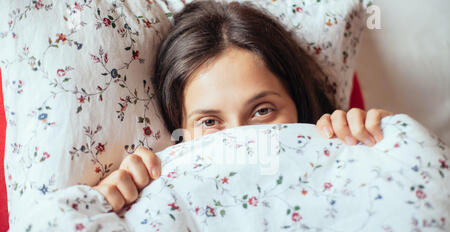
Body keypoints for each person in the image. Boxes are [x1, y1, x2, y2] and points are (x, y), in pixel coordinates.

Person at [93, 0, 394, 213]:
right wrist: (109, 206)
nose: (242, 141)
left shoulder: (345, 161)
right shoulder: (157, 196)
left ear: (298, 105)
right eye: (209, 122)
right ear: (180, 131)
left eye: (262, 111)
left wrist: (387, 144)